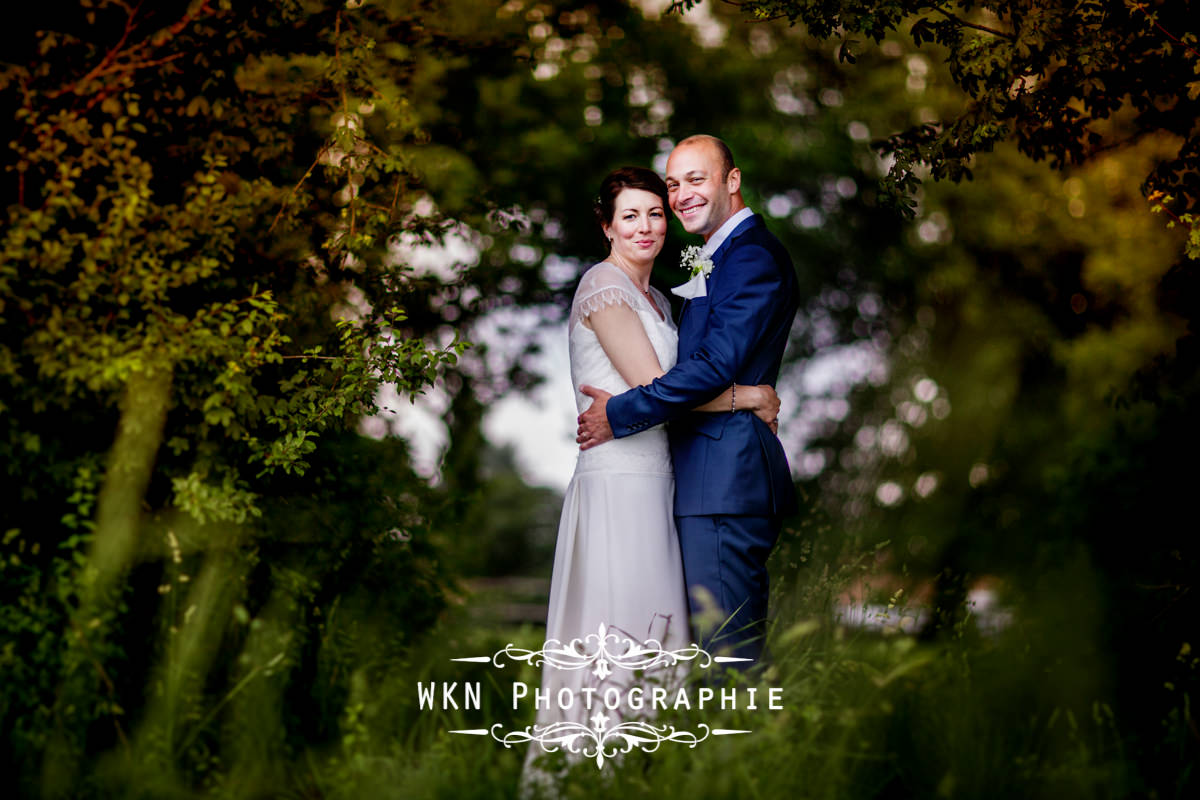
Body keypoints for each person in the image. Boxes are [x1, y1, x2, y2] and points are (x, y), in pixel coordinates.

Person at [522, 166, 779, 788]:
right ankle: (589, 776)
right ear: (607, 226)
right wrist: (751, 397)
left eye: (655, 213)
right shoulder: (603, 287)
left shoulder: (662, 300)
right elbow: (654, 391)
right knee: (618, 628)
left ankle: (644, 777)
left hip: (660, 481)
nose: (646, 226)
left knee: (658, 637)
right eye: (630, 215)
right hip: (619, 483)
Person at [576, 136, 800, 665]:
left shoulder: (749, 257)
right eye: (673, 184)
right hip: (699, 477)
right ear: (607, 225)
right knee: (707, 652)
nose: (680, 196)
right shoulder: (717, 258)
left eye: (695, 180)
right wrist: (753, 395)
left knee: (727, 658)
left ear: (733, 180)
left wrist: (618, 411)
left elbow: (710, 368)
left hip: (724, 478)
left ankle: (743, 747)